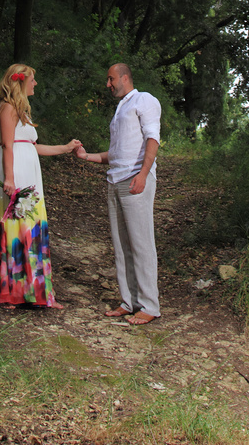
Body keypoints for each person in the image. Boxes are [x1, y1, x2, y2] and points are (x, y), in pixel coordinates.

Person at [0, 63, 81, 309]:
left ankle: (31, 290)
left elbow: (33, 147)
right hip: (15, 171)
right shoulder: (8, 107)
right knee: (15, 225)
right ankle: (9, 291)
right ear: (21, 82)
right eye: (32, 79)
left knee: (28, 226)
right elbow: (7, 145)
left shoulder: (22, 111)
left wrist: (65, 148)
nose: (35, 84)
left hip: (27, 171)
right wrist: (10, 178)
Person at [76, 63, 161, 325]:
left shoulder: (144, 100)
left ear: (124, 78)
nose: (108, 84)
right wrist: (86, 156)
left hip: (134, 180)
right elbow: (116, 154)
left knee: (141, 243)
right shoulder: (120, 109)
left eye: (111, 79)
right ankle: (129, 302)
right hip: (115, 180)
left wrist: (143, 174)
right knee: (122, 245)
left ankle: (149, 305)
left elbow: (153, 139)